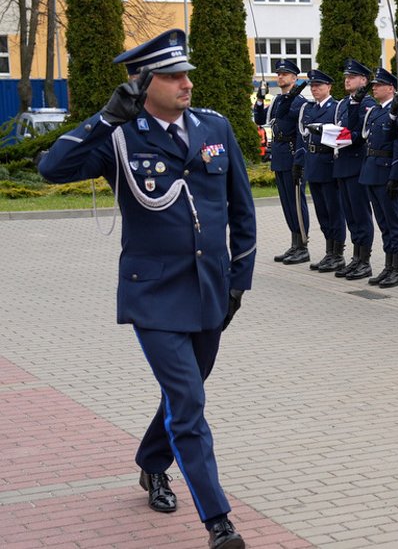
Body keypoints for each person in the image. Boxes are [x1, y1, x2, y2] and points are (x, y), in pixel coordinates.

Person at [38, 29, 253, 549]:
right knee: (189, 402)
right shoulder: (119, 136)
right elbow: (51, 168)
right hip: (153, 295)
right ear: (142, 83)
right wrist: (106, 117)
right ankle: (218, 523)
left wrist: (238, 283)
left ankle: (152, 462)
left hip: (210, 290)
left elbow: (242, 210)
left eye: (186, 74)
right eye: (173, 76)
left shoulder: (214, 127)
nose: (186, 83)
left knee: (186, 394)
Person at [254, 59, 310, 265]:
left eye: (284, 74)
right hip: (279, 155)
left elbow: (302, 134)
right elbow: (261, 119)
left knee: (296, 202)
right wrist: (260, 100)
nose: (280, 77)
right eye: (278, 74)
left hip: (292, 154)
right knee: (287, 203)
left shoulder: (300, 102)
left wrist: (300, 161)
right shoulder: (278, 100)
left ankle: (303, 245)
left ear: (294, 78)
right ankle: (294, 243)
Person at [358, 68, 398, 288]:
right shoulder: (375, 112)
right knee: (383, 223)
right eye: (374, 85)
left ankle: (397, 268)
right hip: (372, 171)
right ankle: (388, 266)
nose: (374, 88)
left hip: (387, 172)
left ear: (391, 88)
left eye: (379, 85)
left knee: (394, 223)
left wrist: (396, 176)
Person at [299, 69, 347, 273]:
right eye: (312, 86)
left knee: (334, 210)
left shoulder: (335, 108)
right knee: (321, 211)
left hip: (328, 163)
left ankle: (338, 253)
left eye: (318, 85)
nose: (314, 89)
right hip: (313, 163)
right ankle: (329, 251)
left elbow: (340, 135)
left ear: (329, 87)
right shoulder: (310, 109)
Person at [333, 59, 377, 280]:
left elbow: (361, 133)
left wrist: (345, 136)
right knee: (350, 215)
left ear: (364, 80)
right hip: (342, 163)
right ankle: (356, 257)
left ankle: (365, 261)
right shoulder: (343, 103)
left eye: (352, 77)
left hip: (357, 164)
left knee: (360, 215)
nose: (347, 80)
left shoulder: (367, 103)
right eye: (346, 77)